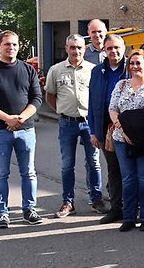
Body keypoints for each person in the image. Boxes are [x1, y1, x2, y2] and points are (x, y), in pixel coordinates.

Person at [0, 30, 43, 228]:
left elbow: (36, 98)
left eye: (14, 44)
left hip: (26, 129)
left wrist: (21, 118)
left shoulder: (28, 70)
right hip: (0, 130)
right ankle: (2, 213)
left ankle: (29, 210)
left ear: (18, 46)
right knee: (0, 174)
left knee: (29, 172)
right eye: (7, 44)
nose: (11, 48)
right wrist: (7, 119)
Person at [44, 33, 104, 217]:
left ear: (84, 49)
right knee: (67, 164)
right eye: (72, 47)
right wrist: (61, 110)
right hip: (67, 123)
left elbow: (98, 96)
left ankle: (97, 199)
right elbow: (50, 95)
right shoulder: (56, 70)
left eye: (79, 47)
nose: (76, 51)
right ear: (66, 48)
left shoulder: (94, 70)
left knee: (93, 162)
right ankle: (68, 202)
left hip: (89, 123)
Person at [108, 48, 144, 231]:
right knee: (128, 179)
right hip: (122, 138)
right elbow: (113, 109)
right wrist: (123, 129)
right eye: (131, 63)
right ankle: (129, 217)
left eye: (138, 62)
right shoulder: (121, 85)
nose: (134, 66)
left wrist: (128, 120)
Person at [88, 33, 128, 223]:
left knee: (130, 170)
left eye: (117, 47)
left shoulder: (131, 67)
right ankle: (116, 208)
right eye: (109, 48)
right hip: (106, 129)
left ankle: (133, 208)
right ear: (104, 50)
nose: (113, 51)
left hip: (129, 128)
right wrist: (93, 131)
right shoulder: (97, 71)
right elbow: (91, 102)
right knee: (114, 170)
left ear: (123, 48)